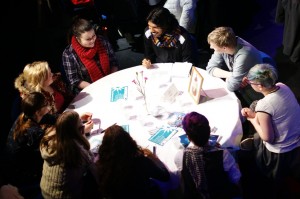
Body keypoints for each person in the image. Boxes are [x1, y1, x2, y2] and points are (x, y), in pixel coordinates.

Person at [240, 63, 300, 196]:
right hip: (296, 137)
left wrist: (252, 119)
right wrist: (257, 116)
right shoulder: (284, 87)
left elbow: (268, 138)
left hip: (281, 151)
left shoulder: (263, 105)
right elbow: (278, 113)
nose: (250, 84)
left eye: (251, 82)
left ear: (260, 86)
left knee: (259, 137)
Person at [175, 111, 242, 198]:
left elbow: (184, 180)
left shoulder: (180, 156)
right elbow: (235, 178)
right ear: (209, 131)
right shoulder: (223, 154)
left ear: (188, 137)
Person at [205, 26, 276, 107]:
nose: (211, 48)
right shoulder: (226, 45)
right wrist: (231, 75)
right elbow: (210, 68)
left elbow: (231, 86)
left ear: (224, 47)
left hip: (256, 83)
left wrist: (233, 78)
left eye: (214, 48)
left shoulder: (243, 55)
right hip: (242, 77)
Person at [95, 124, 170, 199]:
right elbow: (165, 176)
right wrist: (154, 158)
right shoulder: (140, 162)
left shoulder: (101, 165)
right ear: (129, 142)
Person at [3, 92, 56, 195]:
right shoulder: (34, 132)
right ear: (37, 111)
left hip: (17, 167)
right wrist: (77, 129)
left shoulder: (25, 115)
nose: (48, 105)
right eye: (45, 104)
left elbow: (50, 118)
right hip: (22, 176)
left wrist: (71, 118)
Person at [40, 110, 99, 199]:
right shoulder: (75, 151)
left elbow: (67, 127)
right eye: (81, 126)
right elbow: (95, 172)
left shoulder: (51, 139)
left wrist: (79, 125)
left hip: (45, 192)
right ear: (79, 130)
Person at [62, 16, 119, 95]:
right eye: (88, 39)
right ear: (78, 39)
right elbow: (74, 80)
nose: (93, 40)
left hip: (111, 84)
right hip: (89, 91)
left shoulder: (102, 41)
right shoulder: (69, 54)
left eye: (94, 36)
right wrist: (95, 87)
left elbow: (114, 63)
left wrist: (110, 80)